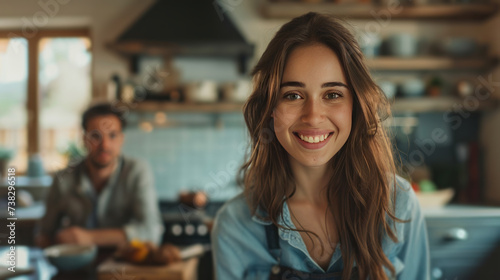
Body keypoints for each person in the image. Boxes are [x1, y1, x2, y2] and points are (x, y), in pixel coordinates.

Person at [211, 13, 430, 280]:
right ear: (270, 109)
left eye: (333, 94)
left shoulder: (399, 206)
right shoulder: (235, 225)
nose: (313, 116)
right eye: (293, 95)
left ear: (356, 107)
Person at [36, 103, 164, 247]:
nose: (105, 145)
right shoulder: (63, 179)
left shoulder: (137, 171)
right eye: (96, 136)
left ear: (122, 139)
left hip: (123, 266)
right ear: (84, 140)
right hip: (75, 267)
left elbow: (152, 232)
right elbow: (44, 233)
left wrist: (88, 238)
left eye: (112, 136)